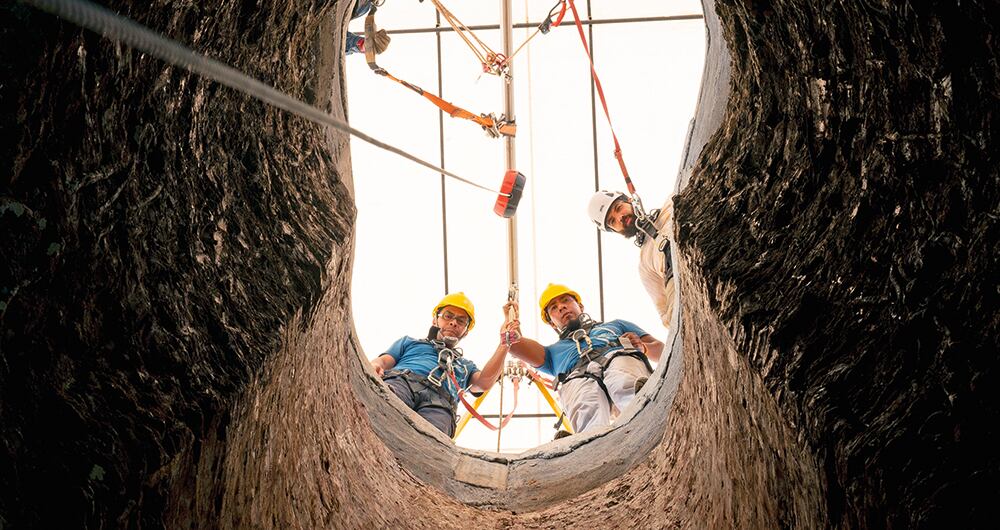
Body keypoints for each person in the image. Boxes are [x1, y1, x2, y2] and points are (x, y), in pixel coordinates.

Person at [502, 284, 664, 434]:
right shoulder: (551, 353)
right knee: (583, 398)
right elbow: (514, 344)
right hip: (578, 376)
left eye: (565, 300)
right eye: (554, 307)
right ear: (552, 323)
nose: (561, 307)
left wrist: (643, 347)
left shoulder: (616, 325)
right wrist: (510, 321)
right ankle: (590, 439)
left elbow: (661, 350)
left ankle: (640, 407)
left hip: (617, 358)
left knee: (621, 376)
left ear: (580, 306)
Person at [370, 292, 506, 437]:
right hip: (403, 382)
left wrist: (505, 343)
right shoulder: (410, 342)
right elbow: (384, 361)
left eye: (461, 321)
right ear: (435, 321)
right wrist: (374, 364)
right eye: (448, 316)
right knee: (385, 405)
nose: (454, 322)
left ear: (465, 332)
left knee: (432, 439)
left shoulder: (466, 366)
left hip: (440, 404)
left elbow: (484, 383)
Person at [588, 191, 676, 329]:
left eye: (618, 208)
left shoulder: (671, 203)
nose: (620, 217)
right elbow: (666, 315)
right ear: (615, 230)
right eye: (612, 221)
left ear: (630, 200)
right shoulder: (645, 266)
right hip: (678, 277)